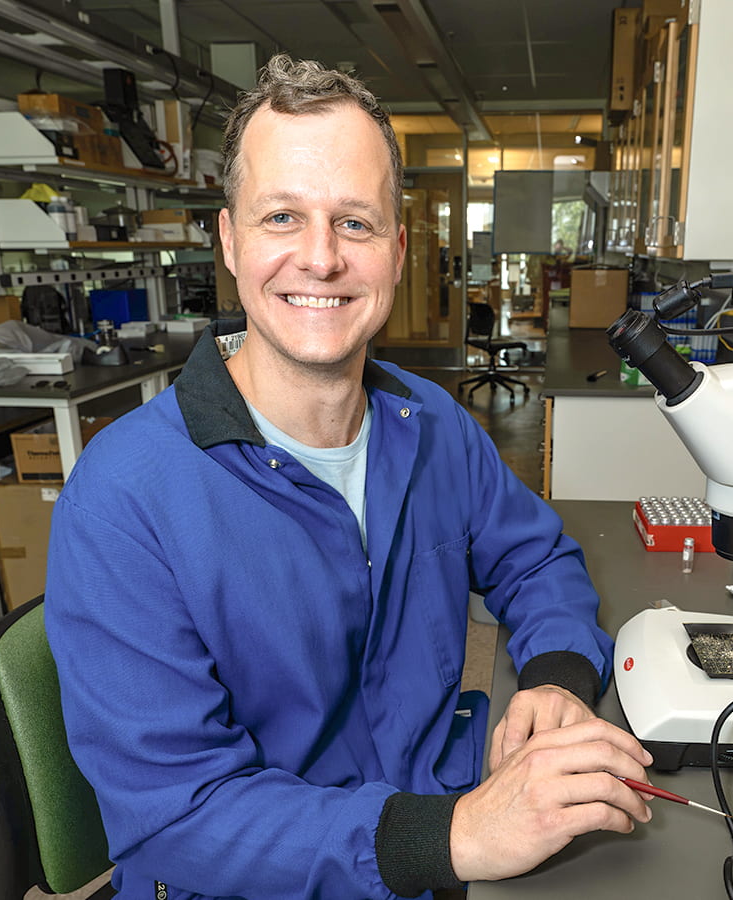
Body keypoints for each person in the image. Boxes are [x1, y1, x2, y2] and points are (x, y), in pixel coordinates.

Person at [45, 55, 653, 900]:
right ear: (229, 240)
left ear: (398, 251)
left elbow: (536, 560)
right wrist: (457, 834)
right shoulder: (124, 498)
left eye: (356, 223)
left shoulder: (430, 423)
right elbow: (175, 815)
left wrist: (556, 677)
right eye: (282, 216)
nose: (321, 259)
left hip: (441, 830)